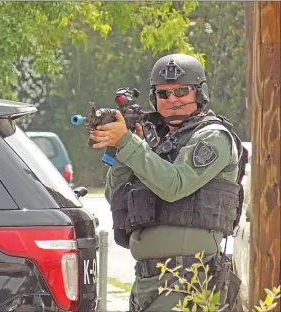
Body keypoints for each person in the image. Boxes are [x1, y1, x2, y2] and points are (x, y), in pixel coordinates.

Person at [89, 53, 247, 311]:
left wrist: (129, 144)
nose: (173, 100)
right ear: (154, 98)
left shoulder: (214, 137)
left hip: (190, 281)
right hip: (148, 282)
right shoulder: (153, 144)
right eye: (164, 94)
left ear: (199, 93)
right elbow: (115, 195)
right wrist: (125, 145)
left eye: (182, 91)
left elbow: (175, 185)